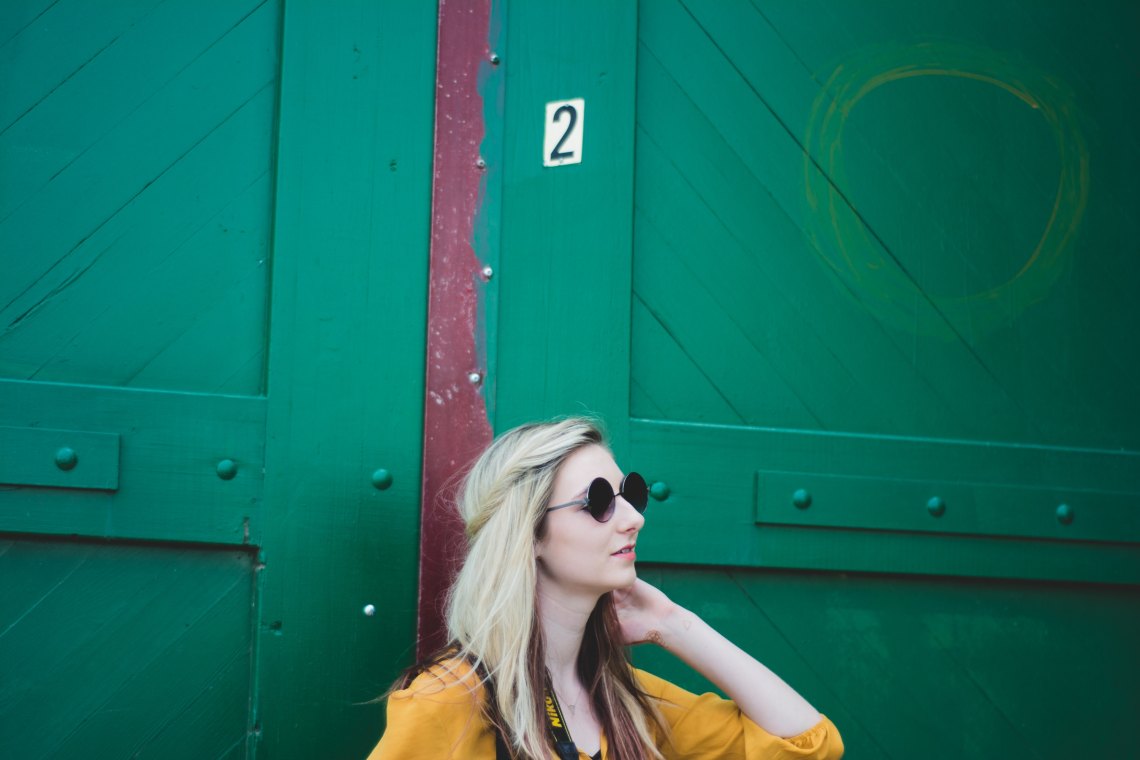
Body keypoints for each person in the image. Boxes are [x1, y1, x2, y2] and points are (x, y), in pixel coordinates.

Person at [368, 418, 843, 759]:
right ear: (528, 535)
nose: (634, 518)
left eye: (629, 494)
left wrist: (673, 625)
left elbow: (809, 744)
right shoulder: (449, 701)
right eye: (597, 502)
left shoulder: (623, 700)